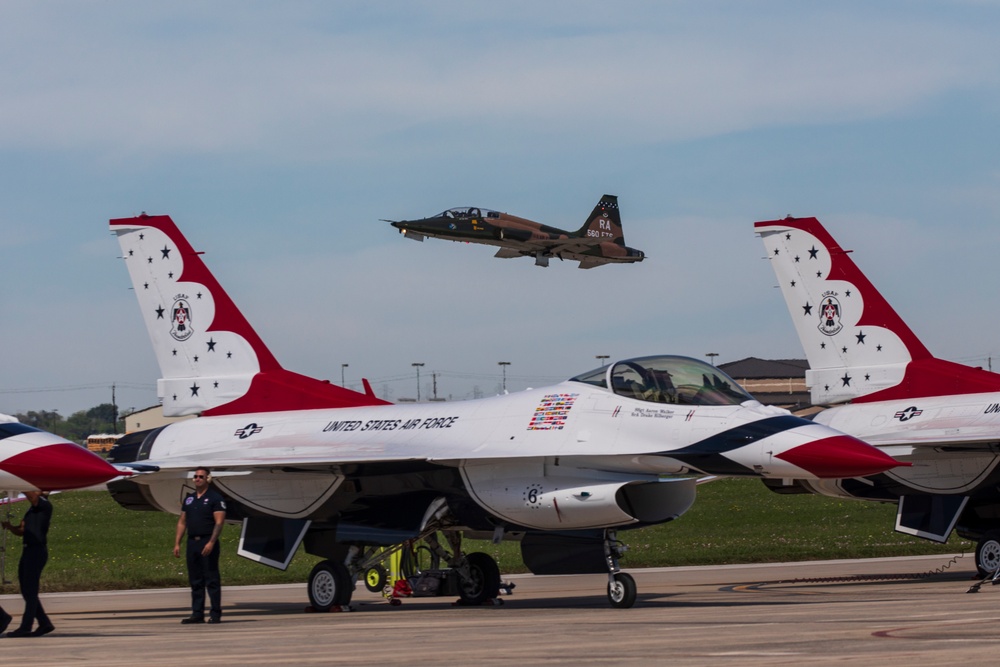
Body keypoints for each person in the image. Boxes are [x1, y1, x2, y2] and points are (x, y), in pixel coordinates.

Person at [173, 467, 227, 624]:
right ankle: (197, 613)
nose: (197, 479)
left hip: (207, 541)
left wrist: (211, 542)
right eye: (195, 477)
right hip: (192, 542)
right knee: (195, 580)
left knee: (211, 579)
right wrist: (177, 543)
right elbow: (182, 521)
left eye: (201, 477)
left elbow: (219, 522)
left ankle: (215, 614)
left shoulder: (215, 498)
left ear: (208, 479)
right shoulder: (189, 499)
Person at [1, 491, 55, 637]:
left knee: (30, 591)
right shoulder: (31, 510)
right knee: (26, 590)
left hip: (36, 551)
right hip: (28, 551)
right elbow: (22, 530)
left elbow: (33, 496)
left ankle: (26, 627)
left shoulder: (44, 505)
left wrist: (20, 485)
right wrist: (10, 527)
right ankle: (44, 623)